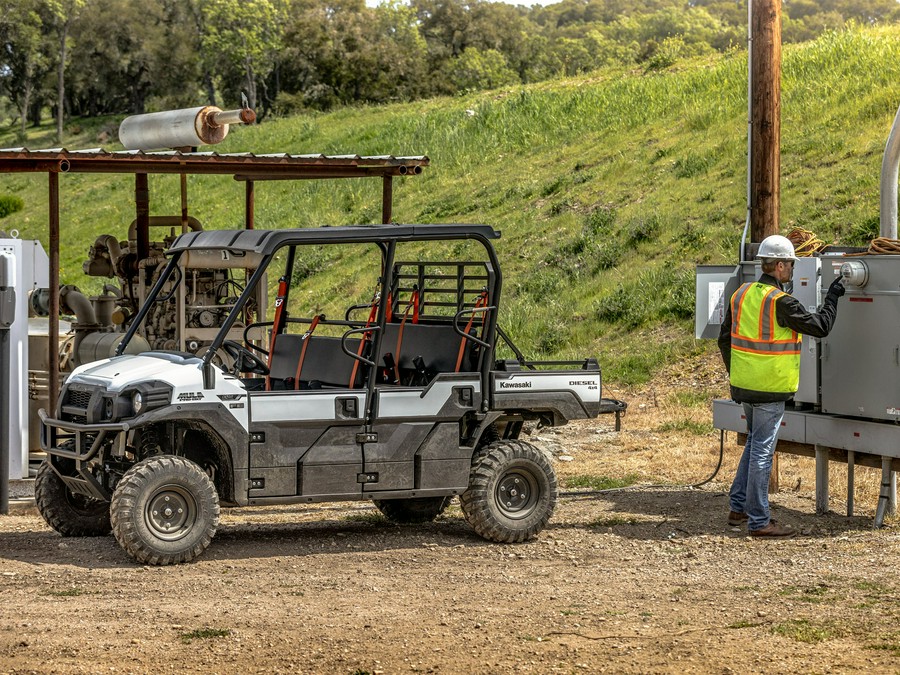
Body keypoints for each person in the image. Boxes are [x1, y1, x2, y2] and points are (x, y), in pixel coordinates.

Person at [718, 234, 844, 538]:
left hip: (744, 386)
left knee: (753, 443)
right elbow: (820, 327)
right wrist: (834, 296)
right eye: (789, 264)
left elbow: (724, 339)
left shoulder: (741, 293)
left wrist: (737, 373)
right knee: (763, 449)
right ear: (778, 265)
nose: (792, 269)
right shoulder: (781, 302)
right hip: (770, 389)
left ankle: (738, 507)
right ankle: (759, 521)